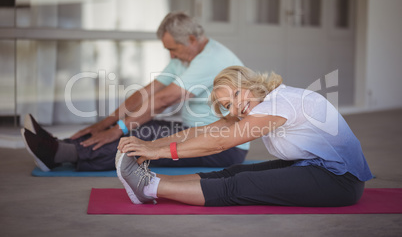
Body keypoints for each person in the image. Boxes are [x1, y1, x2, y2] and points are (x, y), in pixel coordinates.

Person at [21, 12, 249, 172]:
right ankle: (63, 144)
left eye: (173, 49)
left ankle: (60, 154)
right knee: (138, 126)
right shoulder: (186, 56)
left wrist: (118, 128)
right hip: (196, 130)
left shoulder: (211, 59)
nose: (170, 55)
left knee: (143, 137)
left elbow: (162, 100)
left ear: (191, 40)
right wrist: (107, 122)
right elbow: (147, 92)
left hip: (226, 146)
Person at [115, 65, 373, 207]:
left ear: (250, 85)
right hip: (314, 167)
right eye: (228, 104)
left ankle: (149, 187)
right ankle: (153, 179)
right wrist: (148, 145)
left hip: (340, 182)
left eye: (237, 94)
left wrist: (157, 153)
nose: (236, 107)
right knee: (234, 172)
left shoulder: (278, 104)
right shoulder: (259, 102)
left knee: (241, 186)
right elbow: (204, 131)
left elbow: (220, 143)